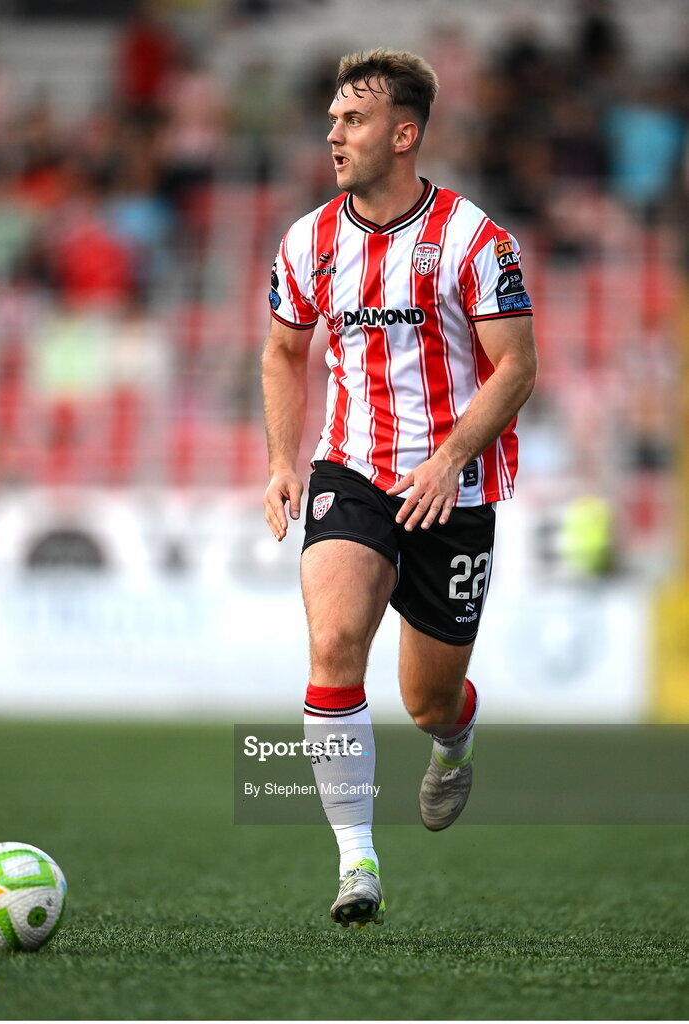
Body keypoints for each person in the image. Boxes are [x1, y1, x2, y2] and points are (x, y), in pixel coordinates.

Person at [261, 49, 537, 929]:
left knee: (427, 698)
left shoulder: (475, 239)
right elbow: (280, 349)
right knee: (336, 641)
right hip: (353, 471)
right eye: (333, 118)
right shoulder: (307, 239)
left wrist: (451, 456)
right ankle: (357, 865)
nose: (333, 132)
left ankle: (454, 737)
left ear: (404, 133)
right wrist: (280, 460)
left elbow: (517, 369)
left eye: (353, 119)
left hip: (454, 484)